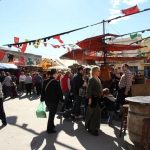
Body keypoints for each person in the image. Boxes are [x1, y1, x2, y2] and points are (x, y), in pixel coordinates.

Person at [41, 69, 63, 133]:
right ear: (54, 74)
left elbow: (42, 91)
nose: (57, 74)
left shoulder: (45, 81)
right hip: (54, 101)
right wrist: (61, 99)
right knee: (51, 115)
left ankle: (52, 125)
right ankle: (49, 129)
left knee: (51, 113)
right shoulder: (56, 82)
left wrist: (42, 99)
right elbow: (59, 92)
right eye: (56, 73)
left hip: (47, 100)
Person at [85, 67, 103, 136]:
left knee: (97, 113)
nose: (99, 72)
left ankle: (95, 127)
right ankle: (91, 129)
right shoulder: (92, 79)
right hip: (92, 98)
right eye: (98, 71)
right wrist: (89, 99)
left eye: (99, 71)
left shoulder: (98, 79)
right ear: (94, 71)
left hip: (97, 99)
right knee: (93, 114)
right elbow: (89, 90)